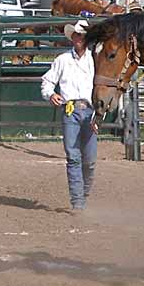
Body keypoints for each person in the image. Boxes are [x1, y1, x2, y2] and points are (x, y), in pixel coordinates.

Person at [41, 20, 97, 212]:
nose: (78, 38)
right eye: (76, 35)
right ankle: (78, 201)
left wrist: (100, 115)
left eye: (81, 35)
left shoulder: (95, 60)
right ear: (72, 37)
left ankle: (83, 193)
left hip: (90, 111)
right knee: (73, 157)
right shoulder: (62, 60)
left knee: (89, 161)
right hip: (70, 109)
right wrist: (51, 94)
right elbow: (47, 81)